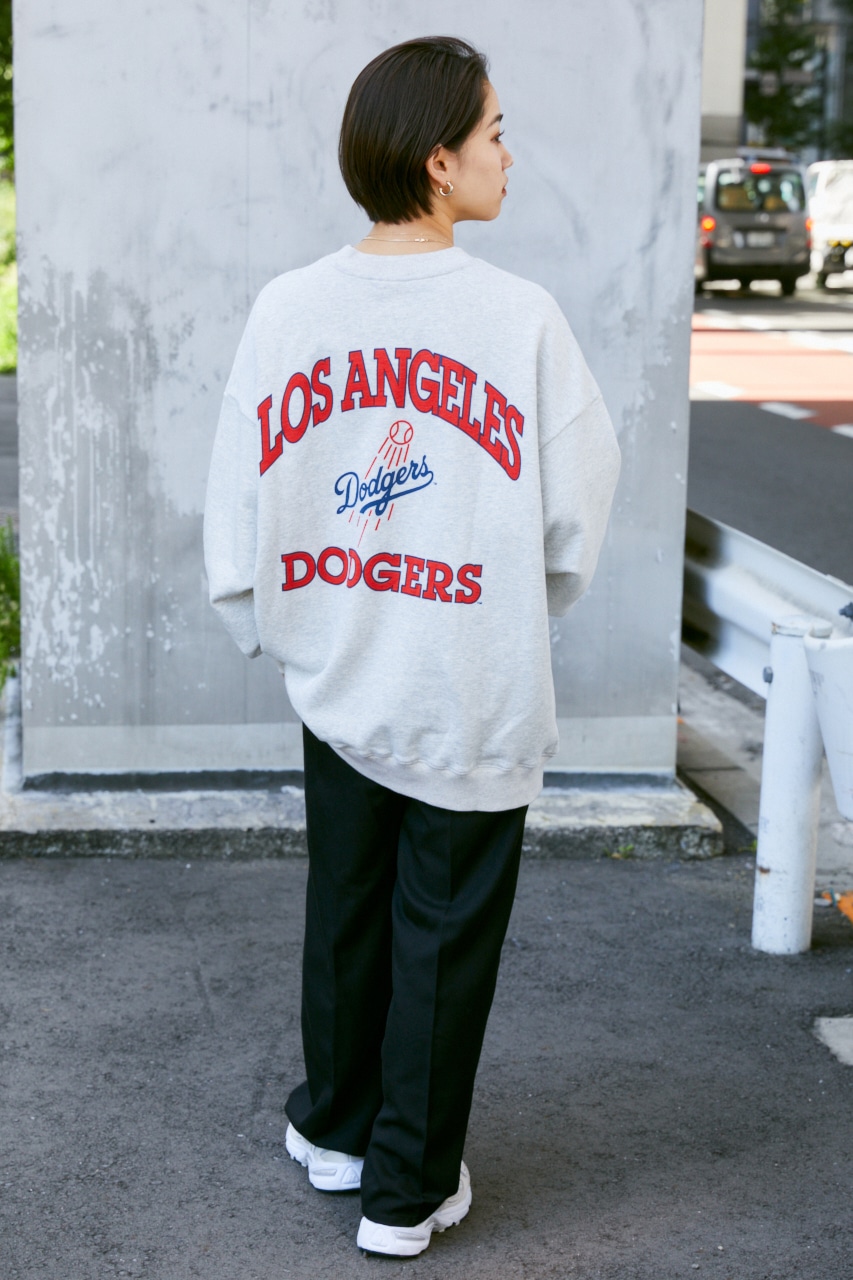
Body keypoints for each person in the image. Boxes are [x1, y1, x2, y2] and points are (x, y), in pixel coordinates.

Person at [203, 35, 621, 1258]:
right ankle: (405, 1186)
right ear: (440, 161)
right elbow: (576, 501)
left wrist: (260, 614)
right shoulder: (518, 318)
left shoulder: (290, 308)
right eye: (494, 133)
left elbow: (237, 487)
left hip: (338, 664)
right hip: (466, 674)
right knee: (441, 928)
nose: (508, 154)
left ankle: (338, 1127)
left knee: (344, 905)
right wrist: (525, 600)